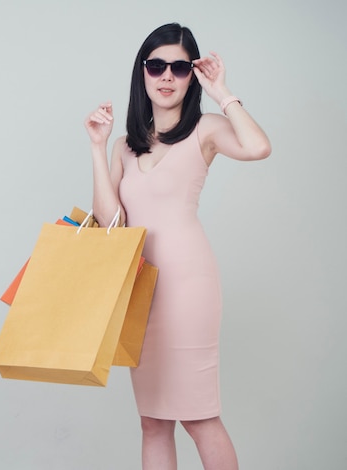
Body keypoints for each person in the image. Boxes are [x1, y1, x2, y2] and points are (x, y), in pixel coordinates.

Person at [84, 23, 271, 470]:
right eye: (156, 65)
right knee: (152, 421)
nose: (167, 76)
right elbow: (109, 223)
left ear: (192, 76)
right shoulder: (126, 147)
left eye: (180, 67)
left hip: (189, 286)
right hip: (139, 289)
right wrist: (97, 146)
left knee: (200, 418)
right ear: (142, 73)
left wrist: (222, 90)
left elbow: (258, 147)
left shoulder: (206, 129)